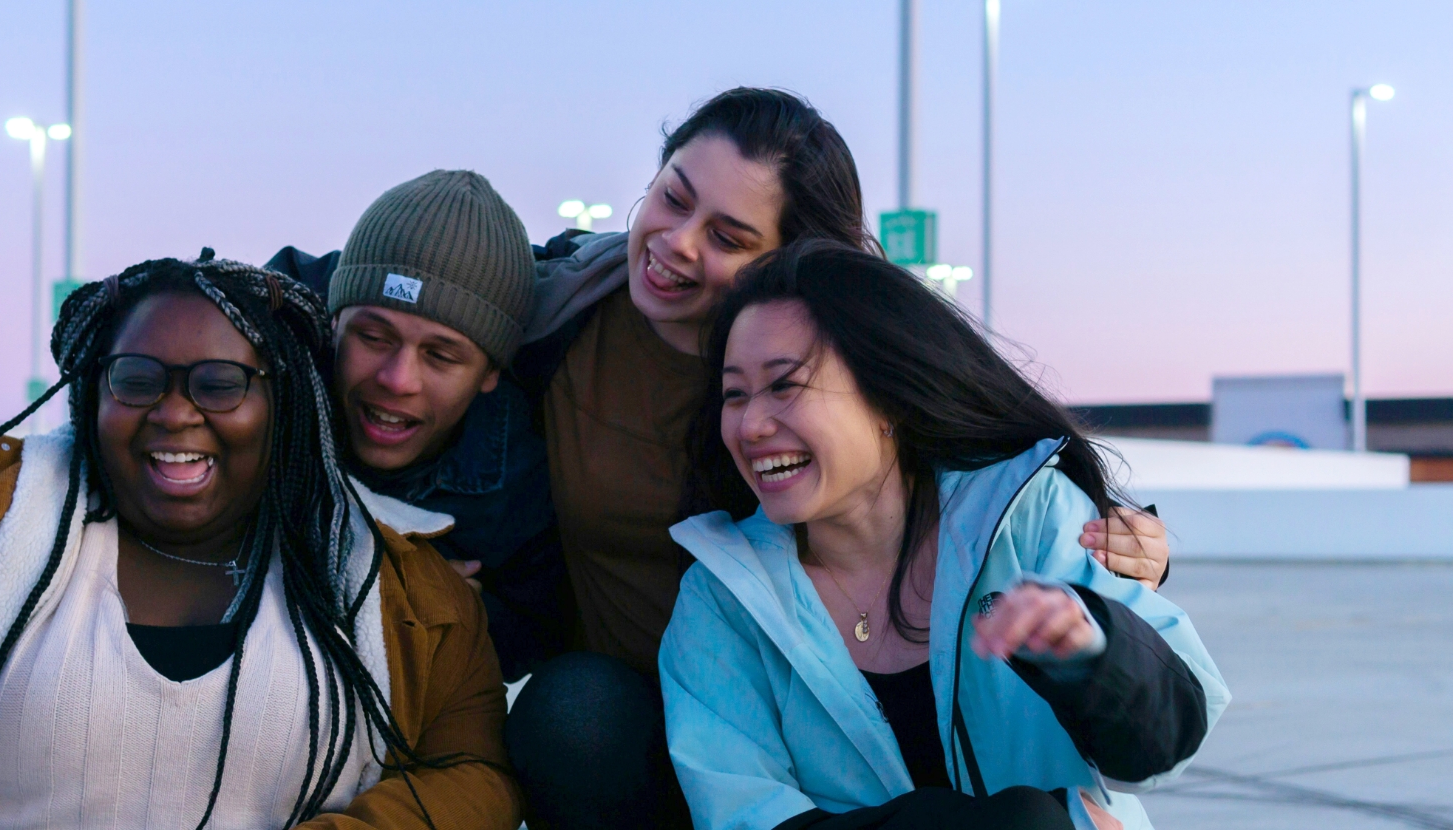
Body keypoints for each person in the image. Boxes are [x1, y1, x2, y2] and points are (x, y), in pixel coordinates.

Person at [501, 88, 1175, 830]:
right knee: (572, 711)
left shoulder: (846, 367)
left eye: (728, 237)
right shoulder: (558, 314)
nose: (678, 242)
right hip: (645, 727)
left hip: (825, 732)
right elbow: (416, 316)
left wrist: (1110, 552)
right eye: (673, 198)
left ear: (798, 261)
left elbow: (993, 471)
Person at [0, 255, 521, 830]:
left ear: (286, 405)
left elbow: (475, 778)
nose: (175, 414)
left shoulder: (403, 580)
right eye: (138, 379)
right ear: (92, 391)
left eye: (219, 383)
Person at [659, 241, 1227, 830]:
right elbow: (744, 817)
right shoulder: (722, 597)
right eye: (734, 394)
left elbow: (1173, 739)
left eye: (784, 385)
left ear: (886, 398)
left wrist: (1095, 654)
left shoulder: (1024, 516)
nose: (751, 425)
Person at [264, 170, 566, 682]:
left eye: (441, 356)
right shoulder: (261, 387)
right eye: (374, 337)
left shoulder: (521, 476)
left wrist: (462, 615)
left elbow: (542, 635)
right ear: (333, 322)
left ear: (491, 372)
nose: (397, 381)